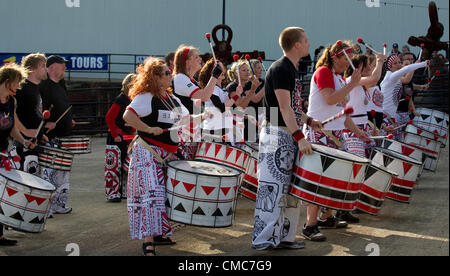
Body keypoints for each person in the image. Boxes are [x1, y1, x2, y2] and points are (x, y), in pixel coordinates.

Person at [252, 27, 322, 251]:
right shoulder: (281, 68)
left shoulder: (290, 69)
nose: (309, 44)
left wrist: (309, 121)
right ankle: (264, 238)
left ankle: (283, 237)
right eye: (306, 40)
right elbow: (283, 108)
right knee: (273, 189)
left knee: (289, 190)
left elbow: (290, 107)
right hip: (277, 134)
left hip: (285, 133)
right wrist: (300, 136)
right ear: (297, 45)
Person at [122, 57, 191, 256]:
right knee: (150, 195)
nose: (171, 75)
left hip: (166, 156)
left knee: (163, 196)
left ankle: (159, 233)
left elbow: (185, 118)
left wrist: (203, 117)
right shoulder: (146, 97)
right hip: (147, 153)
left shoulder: (171, 99)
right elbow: (128, 116)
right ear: (156, 78)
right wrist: (148, 129)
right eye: (167, 73)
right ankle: (148, 241)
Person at [304, 40, 365, 241]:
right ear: (335, 57)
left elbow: (343, 114)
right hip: (320, 132)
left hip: (335, 133)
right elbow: (329, 99)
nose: (348, 64)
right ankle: (309, 224)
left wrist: (359, 132)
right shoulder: (323, 72)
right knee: (317, 178)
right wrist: (353, 84)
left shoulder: (338, 77)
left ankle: (326, 216)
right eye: (345, 59)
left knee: (333, 176)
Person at [0, 63, 36, 246]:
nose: (18, 86)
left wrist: (24, 141)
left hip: (3, 151)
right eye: (16, 82)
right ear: (7, 82)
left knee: (1, 194)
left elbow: (12, 128)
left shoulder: (11, 101)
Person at [39, 55, 74, 216]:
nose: (65, 68)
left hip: (63, 135)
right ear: (52, 67)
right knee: (50, 172)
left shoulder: (61, 85)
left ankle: (60, 203)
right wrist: (45, 124)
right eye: (62, 65)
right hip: (49, 137)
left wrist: (69, 119)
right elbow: (38, 109)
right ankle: (48, 207)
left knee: (63, 171)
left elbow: (63, 106)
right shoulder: (44, 85)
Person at [172, 45, 222, 157]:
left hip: (191, 132)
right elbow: (204, 96)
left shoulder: (190, 80)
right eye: (196, 57)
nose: (200, 59)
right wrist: (214, 77)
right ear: (187, 61)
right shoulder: (180, 78)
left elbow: (205, 96)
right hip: (182, 133)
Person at [14, 53, 53, 176]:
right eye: (42, 66)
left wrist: (40, 133)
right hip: (24, 143)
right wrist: (25, 131)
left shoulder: (35, 88)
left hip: (33, 141)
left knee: (34, 179)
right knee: (27, 181)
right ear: (32, 69)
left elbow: (32, 115)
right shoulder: (22, 88)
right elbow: (11, 113)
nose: (46, 69)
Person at [104, 73, 136, 202]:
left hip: (127, 137)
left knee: (125, 165)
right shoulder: (121, 99)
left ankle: (123, 191)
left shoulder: (131, 99)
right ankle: (112, 193)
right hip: (116, 137)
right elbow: (109, 117)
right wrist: (115, 134)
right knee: (114, 166)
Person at [380, 54, 429, 134]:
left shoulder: (395, 78)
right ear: (390, 67)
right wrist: (423, 64)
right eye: (395, 63)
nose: (398, 65)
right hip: (385, 116)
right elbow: (407, 70)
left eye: (399, 62)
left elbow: (406, 77)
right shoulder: (391, 77)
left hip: (389, 116)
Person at [198, 58, 241, 141]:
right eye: (219, 69)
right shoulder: (212, 89)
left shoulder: (222, 89)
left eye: (222, 68)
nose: (222, 71)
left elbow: (229, 107)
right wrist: (236, 96)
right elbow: (221, 108)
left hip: (223, 130)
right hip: (213, 130)